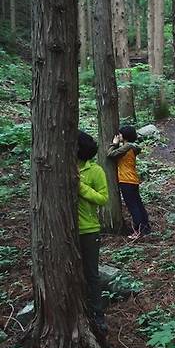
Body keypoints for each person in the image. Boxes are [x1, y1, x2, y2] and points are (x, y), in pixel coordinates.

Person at [78, 131, 109, 333]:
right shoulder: (60, 166)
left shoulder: (95, 170)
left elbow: (103, 198)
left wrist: (80, 187)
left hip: (88, 230)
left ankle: (98, 315)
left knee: (91, 274)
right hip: (65, 232)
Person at [107, 125, 151, 238]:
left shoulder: (126, 147)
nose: (118, 136)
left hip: (126, 180)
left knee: (133, 206)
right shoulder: (131, 147)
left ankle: (138, 231)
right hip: (133, 179)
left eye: (120, 134)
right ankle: (145, 228)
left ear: (125, 136)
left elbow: (110, 154)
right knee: (138, 205)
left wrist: (114, 143)